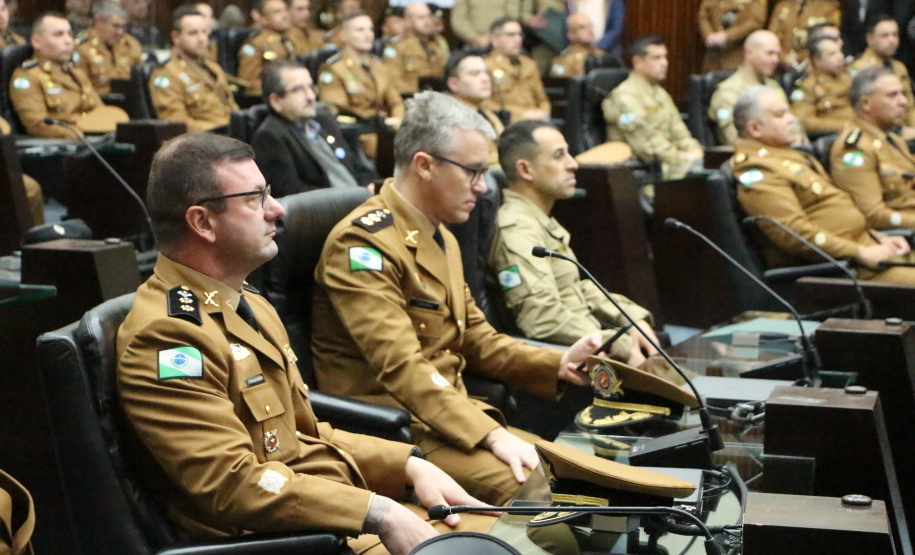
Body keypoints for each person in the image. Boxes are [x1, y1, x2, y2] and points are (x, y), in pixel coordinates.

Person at [117, 132, 497, 555]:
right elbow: (231, 485)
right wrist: (377, 510)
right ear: (203, 222)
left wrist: (406, 465)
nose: (277, 210)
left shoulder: (248, 304)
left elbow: (302, 437)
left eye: (270, 194)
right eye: (255, 199)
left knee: (500, 531)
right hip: (274, 542)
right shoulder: (167, 336)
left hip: (320, 515)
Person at [311, 91, 599, 506]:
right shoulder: (362, 246)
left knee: (588, 475)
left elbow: (477, 338)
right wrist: (493, 435)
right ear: (425, 166)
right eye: (473, 172)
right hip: (397, 433)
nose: (483, 188)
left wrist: (557, 362)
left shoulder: (439, 233)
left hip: (452, 421)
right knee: (553, 496)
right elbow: (402, 367)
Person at [490, 120, 657, 365]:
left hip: (593, 342)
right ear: (526, 170)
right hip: (571, 360)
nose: (573, 164)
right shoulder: (516, 229)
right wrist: (616, 344)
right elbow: (541, 317)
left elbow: (576, 288)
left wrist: (631, 317)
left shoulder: (537, 219)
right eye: (559, 156)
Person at [732, 85, 915, 283]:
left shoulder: (787, 156)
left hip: (870, 252)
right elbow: (794, 234)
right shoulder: (757, 171)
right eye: (780, 115)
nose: (792, 119)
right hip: (842, 272)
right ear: (755, 128)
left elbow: (835, 209)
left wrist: (878, 237)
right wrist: (860, 251)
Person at [253, 60, 375, 196]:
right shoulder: (270, 136)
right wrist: (345, 199)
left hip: (362, 202)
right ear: (276, 101)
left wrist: (369, 186)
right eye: (298, 90)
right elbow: (292, 194)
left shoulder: (324, 120)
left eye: (311, 87)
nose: (311, 96)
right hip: (331, 211)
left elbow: (356, 167)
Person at [10, 12, 128, 138]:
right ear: (36, 41)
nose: (68, 40)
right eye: (58, 35)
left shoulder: (76, 73)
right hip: (65, 147)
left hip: (94, 140)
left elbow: (99, 111)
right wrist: (79, 136)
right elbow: (37, 125)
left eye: (69, 34)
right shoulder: (27, 78)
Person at [604, 35, 703, 180]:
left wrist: (695, 151)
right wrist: (683, 159)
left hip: (671, 166)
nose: (664, 63)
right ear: (637, 62)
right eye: (656, 58)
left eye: (665, 57)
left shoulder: (660, 93)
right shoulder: (624, 98)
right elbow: (647, 146)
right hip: (642, 173)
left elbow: (678, 129)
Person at [831, 67, 915, 230]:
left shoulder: (891, 137)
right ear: (866, 103)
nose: (903, 101)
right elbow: (873, 215)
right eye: (892, 95)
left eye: (902, 93)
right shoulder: (854, 150)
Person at [317, 10, 404, 157]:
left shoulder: (379, 66)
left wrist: (397, 122)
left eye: (370, 29)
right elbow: (336, 111)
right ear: (344, 35)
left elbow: (396, 102)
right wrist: (375, 123)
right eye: (360, 30)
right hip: (357, 138)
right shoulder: (334, 69)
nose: (368, 35)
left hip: (386, 133)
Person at [150, 6, 238, 132]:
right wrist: (219, 131)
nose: (202, 39)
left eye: (205, 32)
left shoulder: (213, 68)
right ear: (176, 37)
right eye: (193, 33)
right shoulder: (166, 74)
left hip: (230, 135)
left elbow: (231, 108)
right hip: (203, 142)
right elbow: (177, 125)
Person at [709, 29, 785, 145]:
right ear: (749, 53)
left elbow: (793, 125)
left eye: (777, 54)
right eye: (769, 53)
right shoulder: (729, 91)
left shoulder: (773, 87)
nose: (775, 60)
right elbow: (733, 138)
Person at [847, 15, 915, 131]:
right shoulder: (858, 70)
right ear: (869, 38)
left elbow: (910, 106)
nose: (892, 40)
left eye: (895, 35)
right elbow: (856, 112)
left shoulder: (898, 67)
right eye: (885, 35)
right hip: (878, 129)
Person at [483, 17, 550, 123]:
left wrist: (542, 112)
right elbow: (484, 103)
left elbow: (542, 100)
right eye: (511, 35)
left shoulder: (529, 64)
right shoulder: (486, 66)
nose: (518, 39)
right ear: (495, 40)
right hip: (505, 123)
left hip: (535, 121)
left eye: (519, 34)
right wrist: (519, 115)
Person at [445, 49, 504, 167]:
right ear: (453, 84)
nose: (485, 79)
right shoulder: (448, 118)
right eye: (474, 74)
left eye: (486, 73)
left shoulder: (487, 114)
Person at [73, 1, 143, 96]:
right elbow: (78, 84)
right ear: (98, 22)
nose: (120, 32)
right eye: (116, 26)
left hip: (130, 99)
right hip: (98, 100)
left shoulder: (130, 44)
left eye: (123, 27)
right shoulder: (82, 47)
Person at [789, 35, 853, 135]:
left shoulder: (849, 78)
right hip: (834, 135)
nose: (840, 57)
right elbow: (804, 121)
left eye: (840, 51)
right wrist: (845, 125)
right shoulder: (808, 86)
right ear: (817, 60)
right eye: (832, 54)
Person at [383, 1, 449, 94]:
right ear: (408, 21)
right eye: (420, 18)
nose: (427, 21)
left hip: (438, 98)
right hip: (409, 97)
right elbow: (392, 80)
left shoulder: (437, 45)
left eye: (428, 16)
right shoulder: (397, 47)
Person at [238, 0, 295, 97]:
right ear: (262, 18)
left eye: (285, 10)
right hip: (270, 97)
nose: (285, 15)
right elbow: (248, 82)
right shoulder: (253, 44)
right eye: (277, 12)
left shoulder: (286, 39)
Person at [767, 0, 840, 68]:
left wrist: (804, 59)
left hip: (812, 65)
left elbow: (829, 41)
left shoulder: (828, 8)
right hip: (779, 65)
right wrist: (783, 57)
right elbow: (770, 38)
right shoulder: (782, 6)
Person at [697, 0, 766, 71]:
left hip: (737, 56)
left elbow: (755, 22)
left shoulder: (754, 3)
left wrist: (727, 36)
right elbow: (703, 17)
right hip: (714, 57)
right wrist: (709, 35)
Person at [548, 13, 606, 78]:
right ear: (571, 34)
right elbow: (560, 83)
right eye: (582, 27)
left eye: (591, 26)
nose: (590, 30)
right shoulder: (563, 60)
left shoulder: (601, 54)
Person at [450, 0, 520, 48]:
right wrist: (474, 38)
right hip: (474, 46)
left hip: (503, 43)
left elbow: (512, 16)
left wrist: (498, 37)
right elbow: (458, 20)